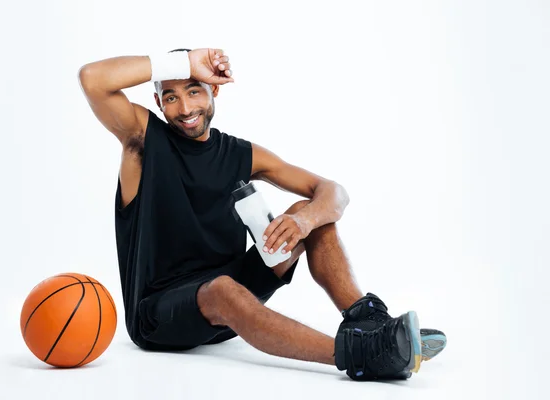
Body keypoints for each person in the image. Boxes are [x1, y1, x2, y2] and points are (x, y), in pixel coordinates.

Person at [78, 47, 446, 381]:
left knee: (310, 210)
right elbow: (92, 79)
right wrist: (188, 64)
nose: (186, 108)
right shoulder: (143, 141)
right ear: (158, 103)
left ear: (213, 91)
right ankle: (360, 352)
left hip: (235, 298)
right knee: (223, 290)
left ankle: (369, 321)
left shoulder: (239, 154)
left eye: (194, 90)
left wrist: (304, 221)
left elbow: (334, 193)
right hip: (160, 315)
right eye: (171, 97)